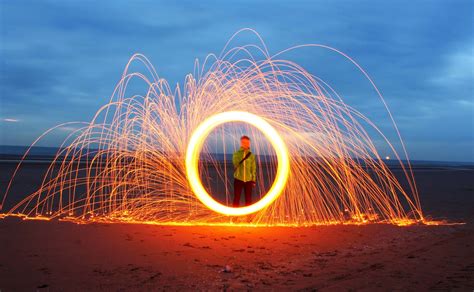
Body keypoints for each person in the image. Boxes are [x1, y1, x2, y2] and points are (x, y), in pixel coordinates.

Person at [232, 135, 256, 207]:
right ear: (241, 143)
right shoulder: (236, 153)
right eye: (244, 142)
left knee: (248, 199)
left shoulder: (251, 155)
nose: (246, 144)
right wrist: (242, 153)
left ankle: (249, 217)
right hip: (238, 179)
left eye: (247, 143)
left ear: (249, 143)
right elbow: (235, 163)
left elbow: (253, 168)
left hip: (248, 180)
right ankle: (235, 215)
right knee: (236, 198)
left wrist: (253, 180)